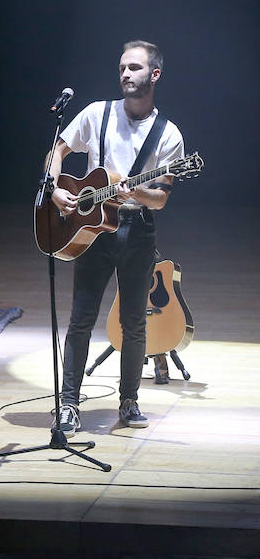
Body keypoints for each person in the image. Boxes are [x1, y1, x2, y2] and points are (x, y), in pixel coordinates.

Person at [47, 40, 184, 434]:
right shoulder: (97, 114)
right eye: (122, 67)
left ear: (154, 75)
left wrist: (136, 191)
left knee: (134, 322)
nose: (125, 73)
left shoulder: (168, 134)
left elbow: (160, 199)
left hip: (137, 230)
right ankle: (69, 404)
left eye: (134, 68)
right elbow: (58, 150)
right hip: (92, 228)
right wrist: (54, 187)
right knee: (81, 319)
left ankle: (129, 400)